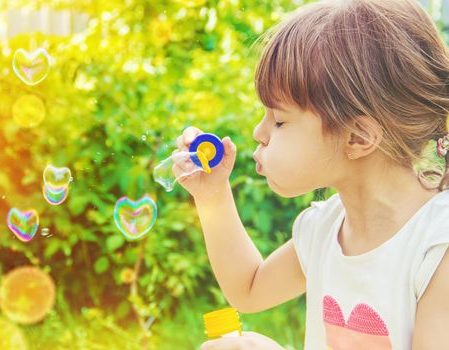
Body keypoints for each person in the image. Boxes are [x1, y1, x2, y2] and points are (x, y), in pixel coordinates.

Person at [174, 0, 449, 348]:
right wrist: (211, 195)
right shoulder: (324, 230)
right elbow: (249, 288)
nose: (260, 133)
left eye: (279, 120)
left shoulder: (437, 248)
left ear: (358, 137)